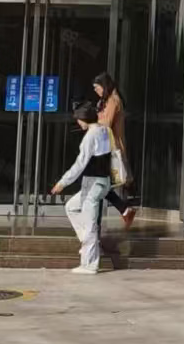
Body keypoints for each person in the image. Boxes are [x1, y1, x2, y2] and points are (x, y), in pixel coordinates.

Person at [51, 100, 114, 275]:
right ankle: (89, 245)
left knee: (89, 224)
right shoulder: (105, 130)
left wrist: (62, 182)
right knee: (71, 207)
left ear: (84, 118)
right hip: (103, 182)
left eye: (78, 119)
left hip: (93, 183)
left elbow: (80, 164)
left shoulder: (90, 136)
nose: (78, 123)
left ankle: (89, 264)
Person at [93, 73, 138, 230]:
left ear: (104, 86)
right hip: (106, 147)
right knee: (100, 183)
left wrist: (93, 118)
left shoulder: (113, 101)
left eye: (97, 88)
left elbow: (106, 123)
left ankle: (101, 217)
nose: (96, 91)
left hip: (110, 148)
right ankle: (124, 210)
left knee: (99, 183)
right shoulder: (108, 100)